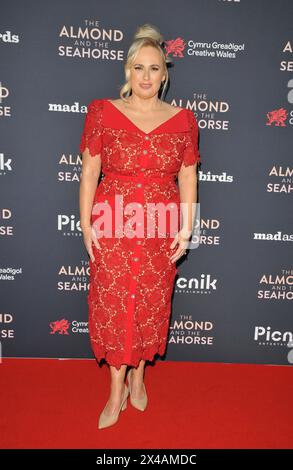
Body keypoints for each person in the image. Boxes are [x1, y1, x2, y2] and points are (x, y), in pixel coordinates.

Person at [79, 23, 200, 429]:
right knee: (114, 306)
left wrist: (186, 229)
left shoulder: (184, 120)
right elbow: (90, 169)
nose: (146, 76)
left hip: (160, 224)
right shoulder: (103, 112)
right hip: (112, 221)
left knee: (149, 303)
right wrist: (85, 223)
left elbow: (187, 175)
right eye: (138, 68)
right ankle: (115, 391)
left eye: (154, 68)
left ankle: (140, 376)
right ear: (127, 71)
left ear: (165, 74)